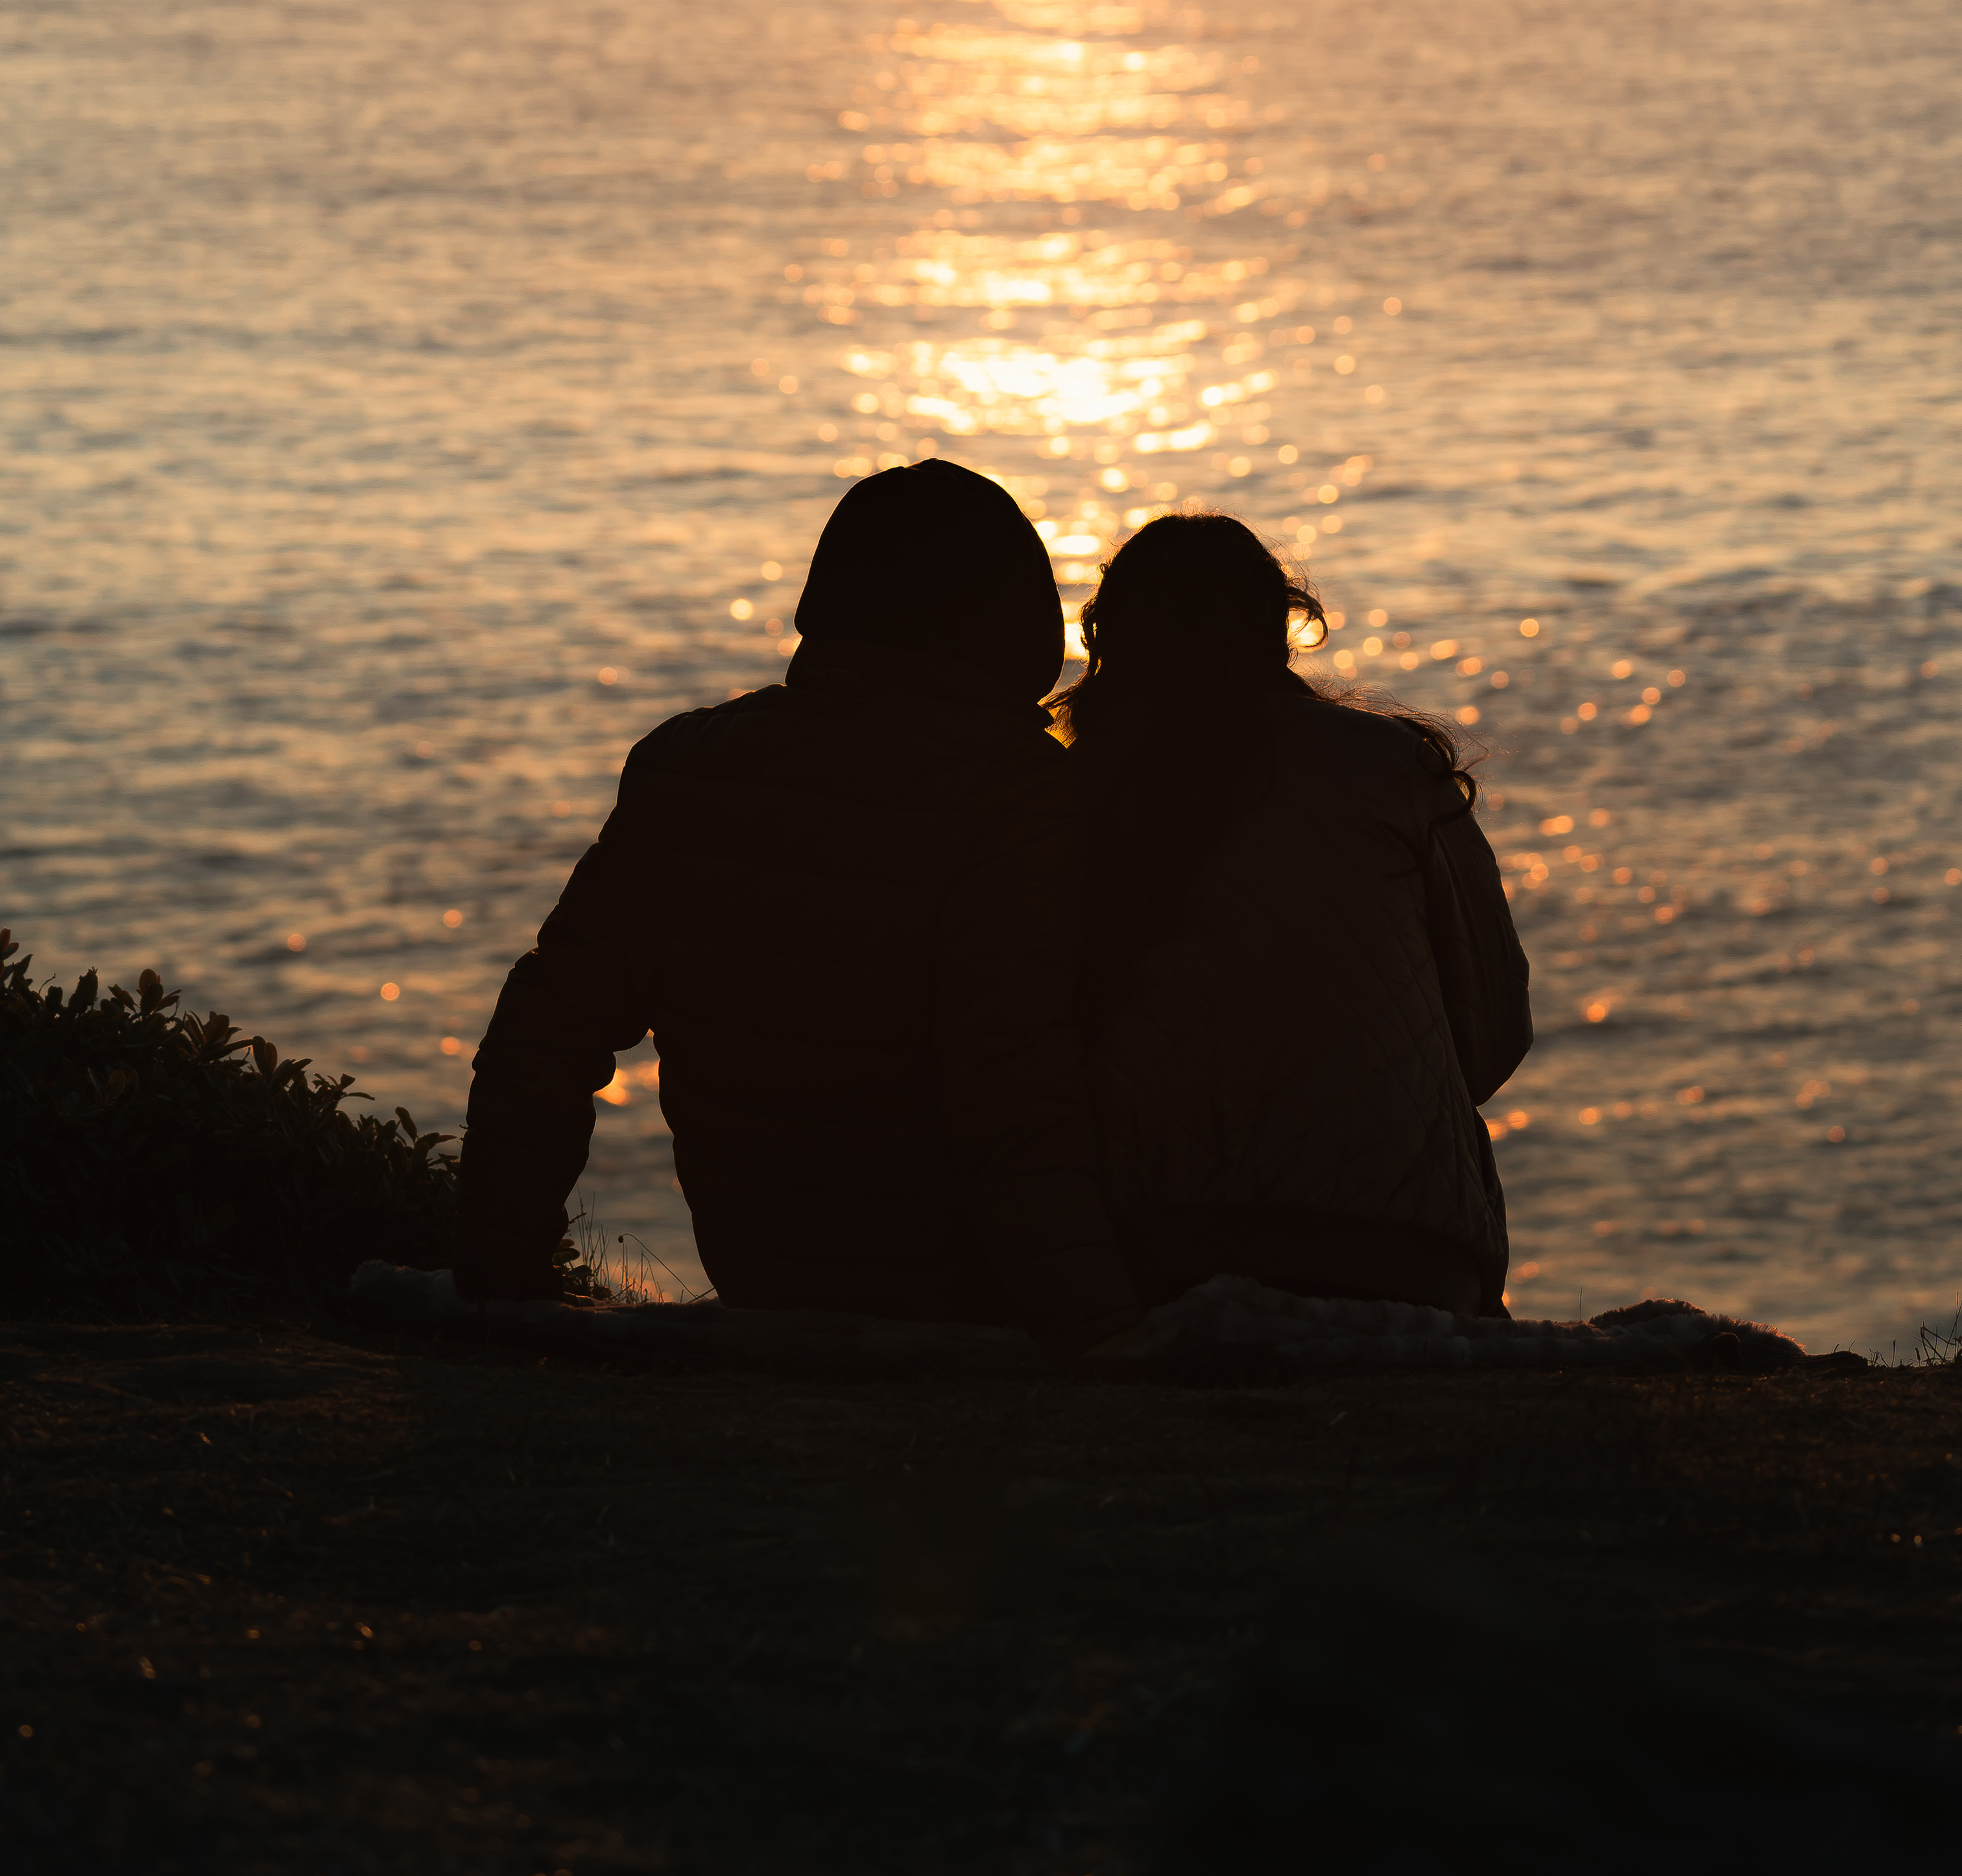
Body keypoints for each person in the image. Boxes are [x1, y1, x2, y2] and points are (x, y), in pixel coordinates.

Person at [453, 458, 1143, 1355]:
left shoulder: (687, 769)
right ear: (1020, 629)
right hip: (964, 1297)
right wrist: (1096, 1333)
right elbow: (1011, 1092)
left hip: (764, 1279)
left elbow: (540, 1041)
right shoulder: (1020, 800)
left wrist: (499, 1281)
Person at [1062, 511, 1531, 1322]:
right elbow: (1492, 1038)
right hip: (1405, 1256)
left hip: (1150, 1258)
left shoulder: (1060, 800)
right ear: (1279, 627)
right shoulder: (1391, 771)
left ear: (1110, 645)